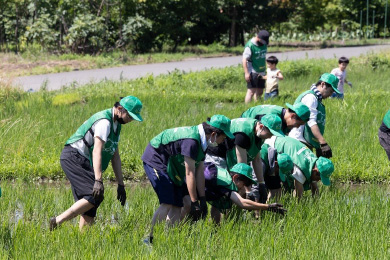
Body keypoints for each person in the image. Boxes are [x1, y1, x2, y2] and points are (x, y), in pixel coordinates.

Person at [50, 96, 143, 230]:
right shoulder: (104, 122)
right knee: (93, 196)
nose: (130, 120)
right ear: (120, 109)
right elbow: (97, 151)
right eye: (130, 116)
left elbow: (115, 156)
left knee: (90, 207)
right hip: (74, 157)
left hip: (83, 160)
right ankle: (57, 221)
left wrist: (121, 184)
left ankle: (83, 242)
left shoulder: (116, 125)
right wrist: (98, 180)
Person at [141, 115, 234, 245]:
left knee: (181, 203)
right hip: (157, 159)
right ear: (214, 133)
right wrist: (195, 201)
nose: (223, 141)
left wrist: (201, 199)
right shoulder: (192, 141)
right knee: (168, 202)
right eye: (223, 137)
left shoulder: (204, 142)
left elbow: (199, 171)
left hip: (173, 164)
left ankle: (168, 239)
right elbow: (189, 172)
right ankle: (149, 239)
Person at [187, 163, 286, 224]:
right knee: (181, 215)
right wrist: (268, 207)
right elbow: (242, 203)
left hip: (189, 185)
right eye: (246, 183)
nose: (244, 187)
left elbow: (216, 206)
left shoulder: (222, 179)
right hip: (185, 186)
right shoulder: (227, 183)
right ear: (235, 178)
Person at [265, 136, 334, 199]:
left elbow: (314, 184)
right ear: (315, 171)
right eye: (320, 178)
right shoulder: (300, 170)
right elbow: (298, 196)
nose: (319, 180)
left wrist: (317, 201)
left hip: (281, 138)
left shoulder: (314, 161)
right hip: (272, 145)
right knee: (274, 188)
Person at [288, 73, 339, 158]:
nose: (331, 94)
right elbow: (311, 122)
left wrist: (317, 145)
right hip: (299, 140)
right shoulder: (311, 97)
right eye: (331, 91)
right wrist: (323, 142)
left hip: (305, 142)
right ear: (323, 84)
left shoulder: (317, 100)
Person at [241, 103, 310, 134]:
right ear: (292, 116)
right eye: (298, 124)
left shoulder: (286, 122)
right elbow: (262, 136)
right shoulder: (271, 117)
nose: (297, 127)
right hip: (244, 127)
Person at [242, 30, 270, 103]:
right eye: (263, 41)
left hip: (262, 71)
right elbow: (244, 60)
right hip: (253, 71)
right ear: (258, 38)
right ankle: (247, 109)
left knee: (260, 91)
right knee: (251, 92)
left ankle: (257, 106)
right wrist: (246, 73)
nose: (264, 43)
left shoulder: (264, 44)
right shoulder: (250, 46)